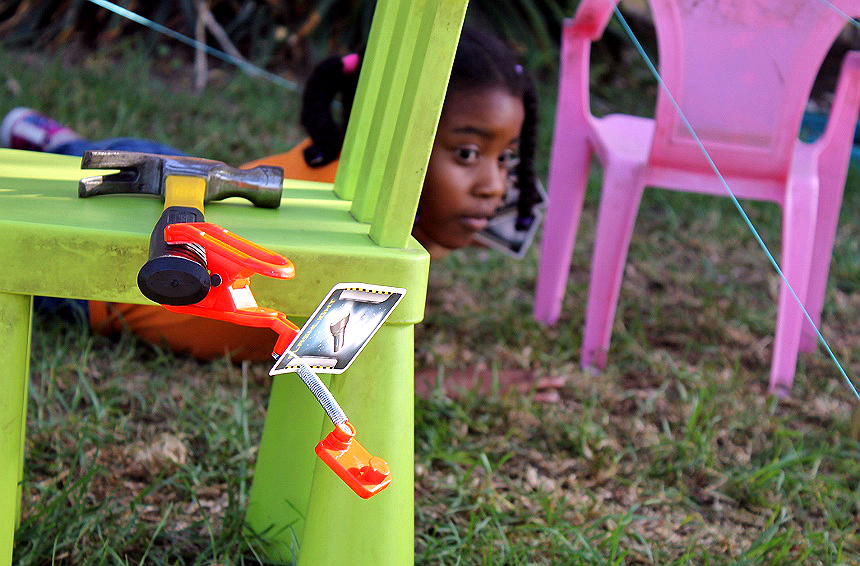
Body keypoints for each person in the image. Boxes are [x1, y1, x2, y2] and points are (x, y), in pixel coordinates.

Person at [1, 27, 549, 383]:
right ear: (394, 141)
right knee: (79, 182)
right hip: (99, 284)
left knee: (153, 162)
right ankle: (53, 146)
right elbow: (326, 369)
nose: (493, 186)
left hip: (184, 187)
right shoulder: (359, 239)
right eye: (469, 153)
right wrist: (460, 380)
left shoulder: (404, 198)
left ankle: (50, 139)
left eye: (504, 159)